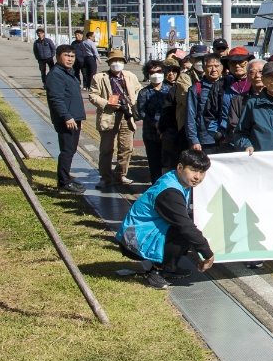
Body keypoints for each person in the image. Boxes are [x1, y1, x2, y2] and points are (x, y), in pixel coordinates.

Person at [116, 149, 216, 289]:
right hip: (133, 242)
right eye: (193, 170)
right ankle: (156, 271)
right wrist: (207, 253)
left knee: (188, 224)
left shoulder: (175, 179)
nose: (197, 177)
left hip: (137, 235)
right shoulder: (170, 192)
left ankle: (169, 267)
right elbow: (185, 227)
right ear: (180, 168)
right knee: (186, 232)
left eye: (202, 172)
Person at [90, 49, 141, 188]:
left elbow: (138, 90)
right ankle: (105, 177)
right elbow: (93, 96)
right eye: (114, 61)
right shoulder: (99, 77)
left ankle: (121, 174)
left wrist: (132, 102)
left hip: (126, 115)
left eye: (119, 61)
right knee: (107, 148)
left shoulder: (130, 76)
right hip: (109, 115)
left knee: (126, 147)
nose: (117, 64)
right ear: (109, 63)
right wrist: (107, 103)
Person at [45, 43, 87, 193]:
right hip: (67, 119)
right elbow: (56, 99)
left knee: (71, 149)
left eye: (72, 56)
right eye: (66, 56)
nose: (70, 59)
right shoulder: (56, 74)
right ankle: (64, 182)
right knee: (67, 150)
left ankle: (66, 178)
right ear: (57, 57)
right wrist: (66, 117)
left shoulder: (68, 72)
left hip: (74, 117)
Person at [136, 59, 178, 183]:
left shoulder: (170, 89)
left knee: (170, 164)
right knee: (155, 165)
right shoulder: (144, 92)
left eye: (159, 71)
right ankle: (156, 189)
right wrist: (155, 123)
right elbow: (142, 112)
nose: (156, 75)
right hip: (151, 134)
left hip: (169, 133)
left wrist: (165, 126)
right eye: (152, 72)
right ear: (147, 75)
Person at [184, 53, 226, 153]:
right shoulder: (196, 89)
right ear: (203, 67)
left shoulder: (228, 86)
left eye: (216, 66)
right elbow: (190, 116)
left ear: (222, 67)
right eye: (210, 66)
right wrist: (194, 140)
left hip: (226, 139)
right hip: (206, 140)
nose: (214, 70)